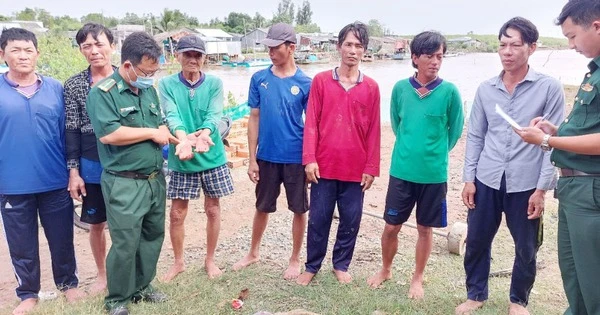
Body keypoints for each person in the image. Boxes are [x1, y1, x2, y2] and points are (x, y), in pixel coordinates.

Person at [455, 17, 565, 315]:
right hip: (487, 178)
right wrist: (469, 179)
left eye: (515, 45)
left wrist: (542, 189)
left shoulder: (548, 88)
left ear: (532, 48)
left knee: (526, 247)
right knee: (477, 240)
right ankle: (476, 294)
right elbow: (476, 135)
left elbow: (551, 142)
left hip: (527, 182)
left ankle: (518, 301)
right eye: (502, 45)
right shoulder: (486, 89)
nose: (507, 51)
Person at [515, 1, 600, 314]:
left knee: (595, 285)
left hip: (591, 190)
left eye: (572, 36)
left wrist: (549, 140)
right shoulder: (594, 72)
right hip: (572, 189)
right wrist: (555, 130)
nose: (571, 44)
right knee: (575, 282)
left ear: (596, 25)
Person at [366, 31, 464, 299]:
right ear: (415, 58)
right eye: (429, 56)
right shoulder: (400, 89)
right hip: (402, 171)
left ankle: (417, 278)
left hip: (433, 175)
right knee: (391, 226)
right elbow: (398, 125)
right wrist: (411, 149)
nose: (435, 61)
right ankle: (386, 269)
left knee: (425, 228)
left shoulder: (449, 92)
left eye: (440, 56)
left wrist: (434, 153)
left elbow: (454, 131)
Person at [86, 31, 178, 315]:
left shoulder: (148, 90)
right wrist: (153, 132)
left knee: (152, 236)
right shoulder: (102, 93)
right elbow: (110, 134)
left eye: (155, 71)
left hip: (154, 179)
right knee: (126, 242)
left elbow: (162, 126)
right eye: (146, 71)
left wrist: (184, 139)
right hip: (125, 182)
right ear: (127, 66)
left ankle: (142, 286)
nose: (151, 76)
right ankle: (117, 299)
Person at [0, 27, 85, 315]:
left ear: (38, 53)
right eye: (15, 50)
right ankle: (28, 293)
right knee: (21, 244)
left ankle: (68, 284)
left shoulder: (56, 89)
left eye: (28, 50)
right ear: (3, 54)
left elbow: (69, 134)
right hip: (11, 184)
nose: (23, 56)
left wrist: (73, 172)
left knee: (62, 238)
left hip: (54, 180)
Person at [296, 22, 381, 286]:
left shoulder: (371, 87)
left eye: (358, 45)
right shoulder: (321, 81)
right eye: (348, 44)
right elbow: (311, 123)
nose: (352, 50)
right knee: (319, 218)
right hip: (323, 166)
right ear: (338, 47)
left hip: (355, 169)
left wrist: (371, 167)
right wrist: (309, 159)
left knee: (350, 219)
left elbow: (375, 130)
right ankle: (311, 266)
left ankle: (341, 264)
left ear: (364, 51)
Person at [232, 23, 312, 280]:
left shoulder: (305, 83)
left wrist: (311, 160)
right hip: (266, 156)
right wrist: (252, 159)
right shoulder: (259, 79)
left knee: (299, 209)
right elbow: (254, 118)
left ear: (291, 48)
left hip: (295, 157)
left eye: (275, 48)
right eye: (268, 48)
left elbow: (312, 125)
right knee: (262, 206)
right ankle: (253, 252)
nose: (270, 53)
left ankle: (295, 258)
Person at [159, 35, 234, 282]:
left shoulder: (214, 83)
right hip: (182, 156)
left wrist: (204, 134)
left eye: (197, 55)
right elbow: (172, 116)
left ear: (204, 58)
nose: (192, 59)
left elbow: (214, 115)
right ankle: (179, 262)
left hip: (211, 154)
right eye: (187, 54)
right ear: (177, 56)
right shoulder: (167, 84)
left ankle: (210, 260)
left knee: (213, 209)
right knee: (177, 213)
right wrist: (183, 140)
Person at [64, 22, 116, 295]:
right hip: (91, 164)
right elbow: (71, 129)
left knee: (125, 222)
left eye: (99, 44)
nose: (94, 51)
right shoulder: (73, 85)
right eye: (87, 46)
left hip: (124, 164)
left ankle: (125, 272)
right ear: (81, 50)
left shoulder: (127, 78)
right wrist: (74, 171)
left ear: (112, 46)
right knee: (96, 223)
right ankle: (102, 274)